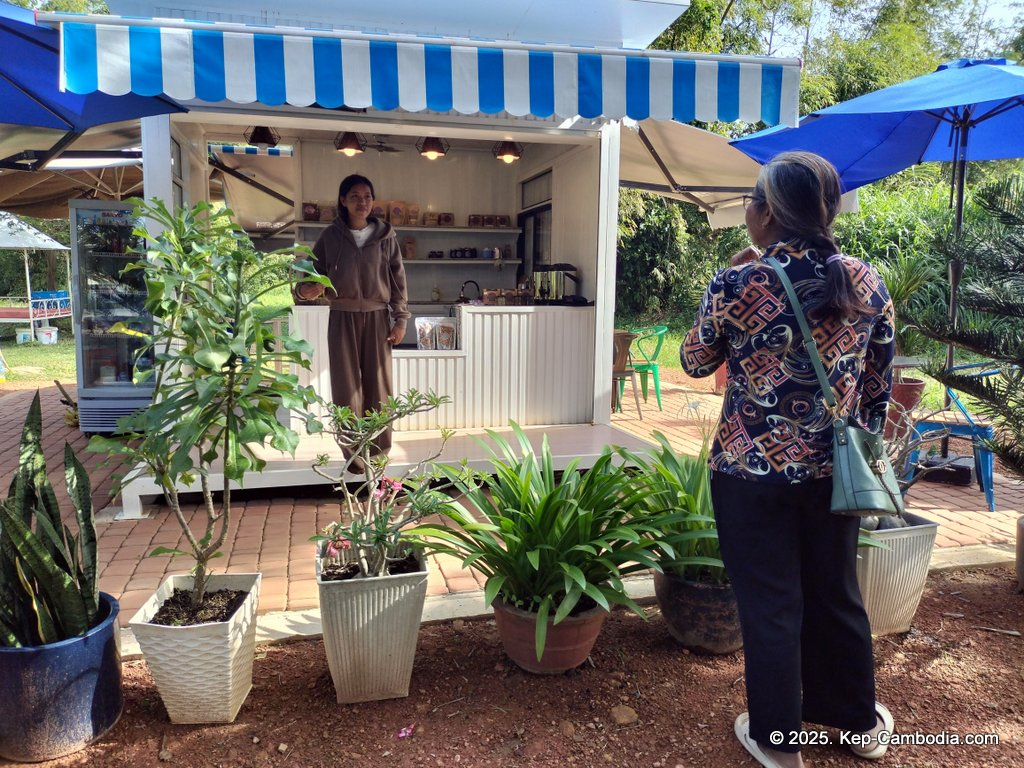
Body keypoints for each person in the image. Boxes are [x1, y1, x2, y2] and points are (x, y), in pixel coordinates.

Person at [681, 151, 896, 768]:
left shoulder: (739, 282)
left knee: (770, 602)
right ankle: (858, 725)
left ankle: (779, 740)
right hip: (836, 473)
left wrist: (729, 288)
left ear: (769, 211)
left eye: (751, 201)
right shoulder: (866, 281)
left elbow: (695, 363)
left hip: (749, 475)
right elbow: (879, 385)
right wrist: (856, 441)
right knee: (837, 592)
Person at [295, 174, 409, 455]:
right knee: (346, 387)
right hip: (342, 316)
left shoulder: (386, 236)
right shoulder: (330, 237)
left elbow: (398, 280)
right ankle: (354, 456)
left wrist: (401, 319)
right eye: (355, 196)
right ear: (343, 200)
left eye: (368, 196)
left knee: (379, 386)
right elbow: (310, 277)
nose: (363, 202)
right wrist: (305, 291)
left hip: (378, 318)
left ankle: (379, 453)